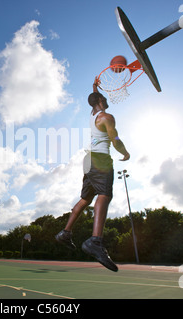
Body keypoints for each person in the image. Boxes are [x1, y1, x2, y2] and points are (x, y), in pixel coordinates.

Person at [55, 77, 130, 272]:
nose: (106, 99)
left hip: (88, 160)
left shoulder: (92, 114)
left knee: (85, 199)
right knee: (104, 195)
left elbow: (94, 97)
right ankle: (95, 241)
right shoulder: (106, 117)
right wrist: (125, 152)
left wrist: (95, 86)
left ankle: (65, 232)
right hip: (100, 159)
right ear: (99, 101)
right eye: (103, 98)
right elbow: (115, 140)